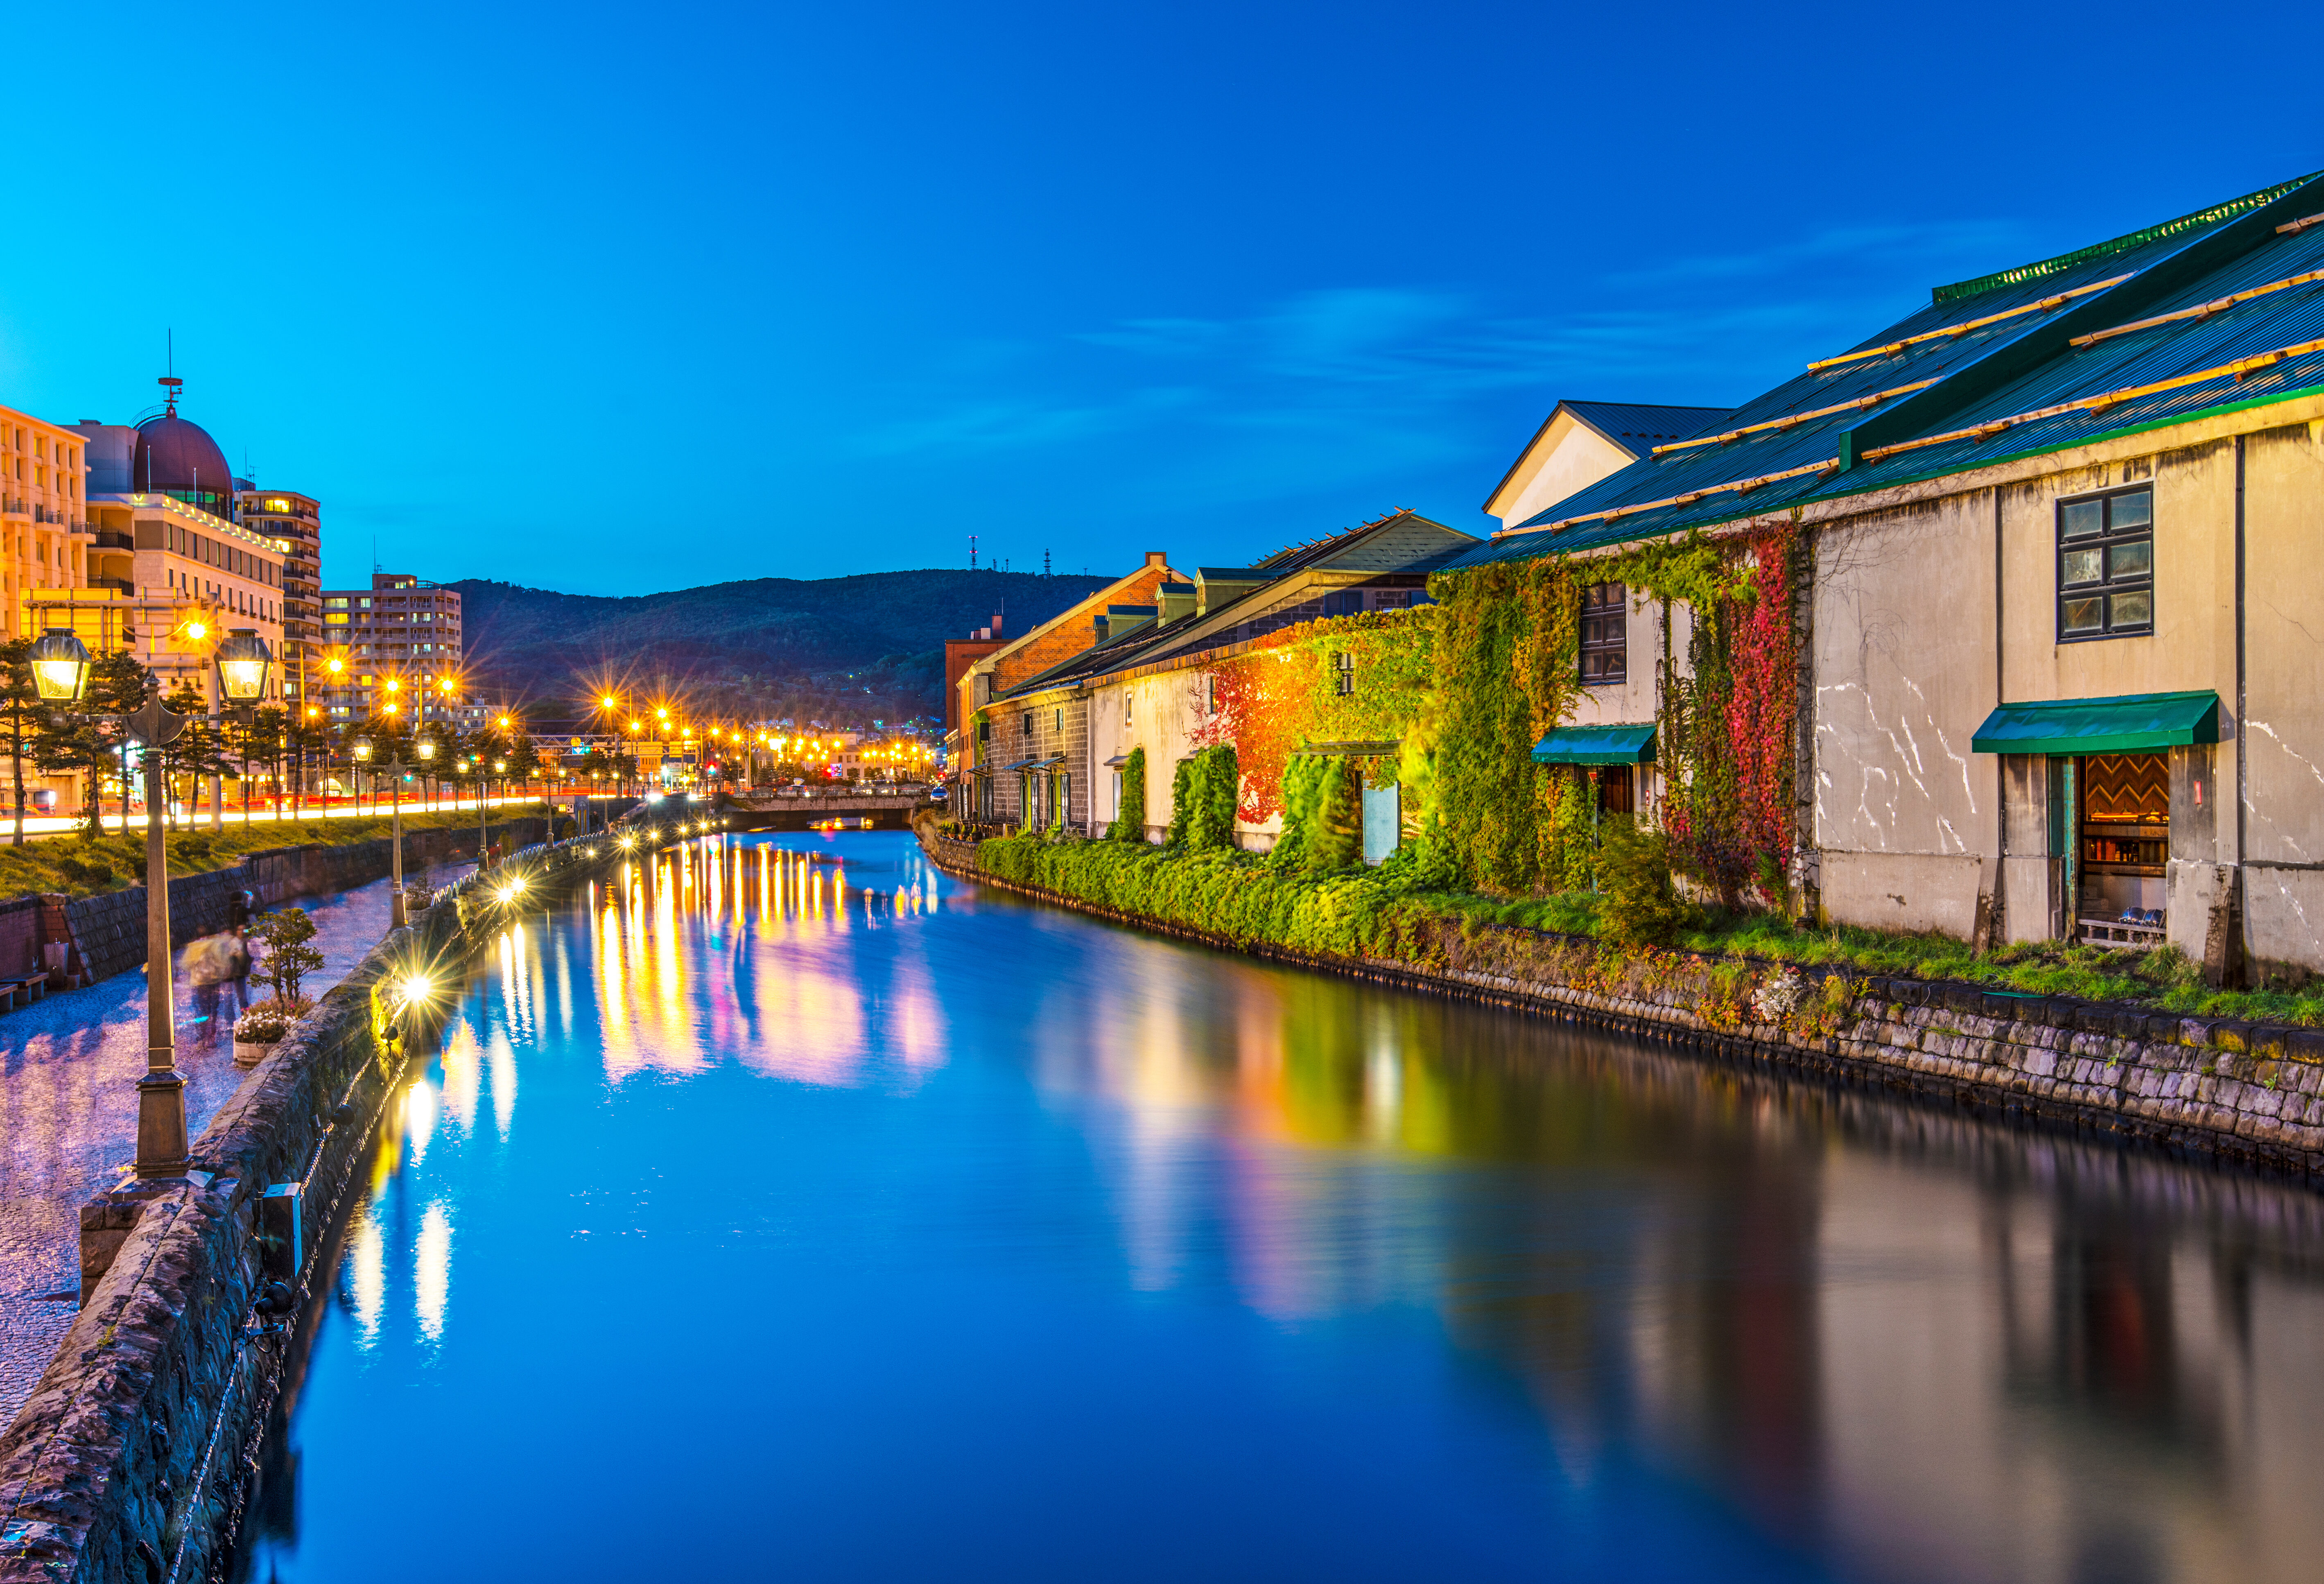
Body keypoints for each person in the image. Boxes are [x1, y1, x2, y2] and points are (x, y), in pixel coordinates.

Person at [181, 931, 234, 1048]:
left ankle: (202, 1038)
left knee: (200, 1010)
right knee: (213, 1011)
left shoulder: (193, 947)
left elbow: (185, 965)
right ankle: (211, 1039)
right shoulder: (216, 945)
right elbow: (224, 963)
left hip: (198, 983)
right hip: (214, 982)